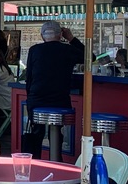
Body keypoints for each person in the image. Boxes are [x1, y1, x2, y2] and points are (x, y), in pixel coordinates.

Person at [21, 21, 84, 158]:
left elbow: (29, 77)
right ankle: (56, 160)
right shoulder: (68, 49)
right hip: (59, 99)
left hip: (37, 98)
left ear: (42, 36)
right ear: (61, 34)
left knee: (36, 132)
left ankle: (34, 163)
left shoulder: (34, 50)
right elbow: (90, 57)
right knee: (56, 130)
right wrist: (71, 38)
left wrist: (30, 99)